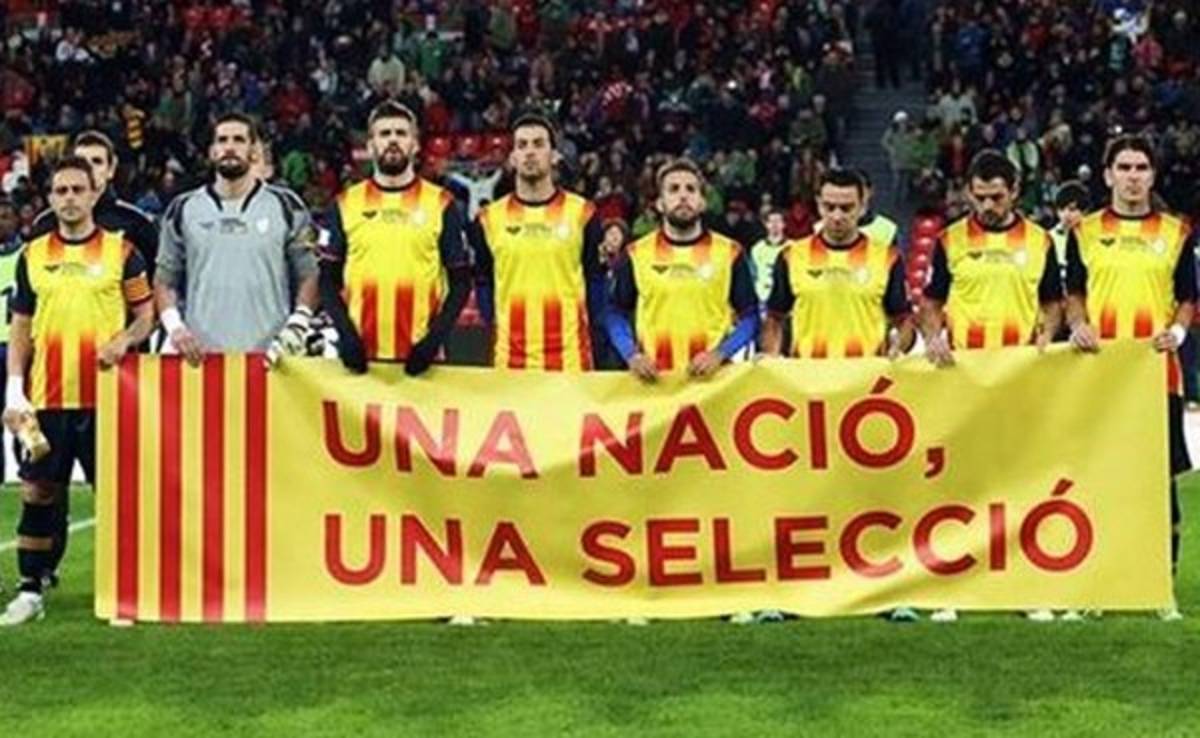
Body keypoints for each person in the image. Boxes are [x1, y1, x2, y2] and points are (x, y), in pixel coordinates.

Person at [1, 156, 155, 625]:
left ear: (93, 194)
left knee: (116, 496)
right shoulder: (32, 255)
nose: (69, 198)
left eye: (77, 189)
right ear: (50, 198)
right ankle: (30, 591)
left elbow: (145, 315)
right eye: (60, 191)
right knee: (38, 492)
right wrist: (14, 390)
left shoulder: (122, 252)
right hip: (47, 398)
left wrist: (124, 341)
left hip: (107, 400)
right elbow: (21, 326)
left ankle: (126, 592)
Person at [918, 150, 1066, 623]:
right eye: (979, 197)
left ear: (1015, 192)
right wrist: (933, 337)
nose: (987, 205)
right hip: (963, 382)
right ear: (968, 192)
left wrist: (1047, 334)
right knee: (961, 483)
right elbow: (931, 301)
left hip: (1018, 380)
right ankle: (953, 588)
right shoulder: (951, 240)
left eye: (996, 197)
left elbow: (1053, 302)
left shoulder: (1040, 241)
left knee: (1019, 482)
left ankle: (1025, 587)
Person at [1064, 135, 1196, 622]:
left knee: (1159, 484)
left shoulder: (1176, 232)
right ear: (1108, 175)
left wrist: (1177, 332)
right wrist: (1078, 324)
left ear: (1153, 175)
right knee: (1099, 479)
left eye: (1141, 167)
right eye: (1124, 167)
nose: (1133, 176)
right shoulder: (1085, 231)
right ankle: (1097, 587)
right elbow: (1074, 293)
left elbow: (1187, 297)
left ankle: (1161, 589)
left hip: (1156, 375)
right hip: (1100, 376)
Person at [319, 101, 471, 377]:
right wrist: (346, 335)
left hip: (423, 363)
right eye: (384, 133)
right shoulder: (345, 204)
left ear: (415, 145)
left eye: (401, 133)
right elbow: (327, 281)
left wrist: (432, 341)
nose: (392, 140)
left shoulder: (441, 203)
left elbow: (461, 283)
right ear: (371, 145)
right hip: (360, 362)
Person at [155, 113, 319, 365]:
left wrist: (298, 324)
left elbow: (309, 274)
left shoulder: (287, 206)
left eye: (238, 140)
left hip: (271, 360)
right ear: (212, 151)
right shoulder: (183, 208)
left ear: (253, 151)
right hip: (201, 360)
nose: (229, 147)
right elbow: (164, 280)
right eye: (222, 140)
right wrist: (175, 328)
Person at [472, 112, 608, 372]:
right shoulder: (489, 219)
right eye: (522, 145)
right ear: (513, 158)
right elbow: (483, 282)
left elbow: (596, 282)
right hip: (509, 361)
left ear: (554, 155)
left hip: (570, 360)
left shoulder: (582, 213)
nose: (530, 152)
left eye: (538, 144)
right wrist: (498, 325)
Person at [605, 158, 759, 383]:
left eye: (691, 189)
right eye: (674, 189)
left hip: (712, 385)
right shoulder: (636, 254)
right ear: (660, 203)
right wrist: (631, 354)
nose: (683, 196)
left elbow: (751, 316)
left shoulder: (729, 253)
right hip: (656, 383)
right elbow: (615, 312)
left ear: (702, 202)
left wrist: (720, 354)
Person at [763, 169, 912, 361]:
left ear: (863, 207)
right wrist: (772, 354)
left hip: (865, 375)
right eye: (829, 207)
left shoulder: (887, 258)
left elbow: (903, 320)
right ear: (819, 205)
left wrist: (898, 348)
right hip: (808, 374)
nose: (837, 216)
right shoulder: (791, 257)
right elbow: (774, 317)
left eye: (846, 208)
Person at [29, 130, 159, 280]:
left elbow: (154, 282)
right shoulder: (45, 224)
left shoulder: (137, 224)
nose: (89, 168)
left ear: (111, 169)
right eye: (81, 162)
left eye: (97, 161)